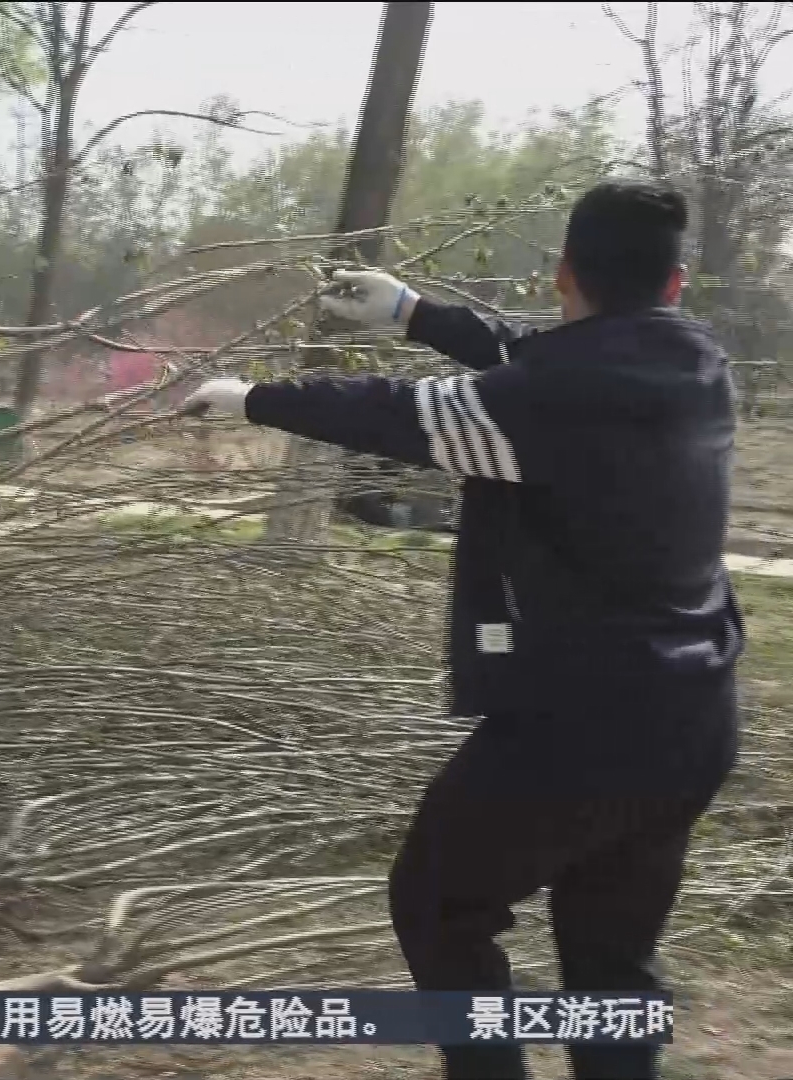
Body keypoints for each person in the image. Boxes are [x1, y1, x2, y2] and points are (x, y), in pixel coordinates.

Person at [181, 181, 742, 1080]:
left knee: (437, 902)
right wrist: (415, 312)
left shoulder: (540, 404)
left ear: (565, 273)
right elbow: (547, 355)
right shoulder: (698, 362)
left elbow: (397, 415)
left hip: (583, 728)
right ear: (674, 288)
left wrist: (254, 398)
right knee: (610, 959)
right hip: (692, 721)